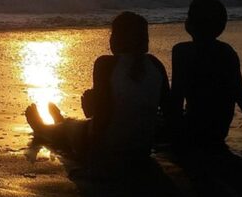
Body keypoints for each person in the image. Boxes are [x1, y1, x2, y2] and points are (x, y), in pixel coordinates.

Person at [25, 11, 170, 161]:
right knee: (83, 121)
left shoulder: (105, 64)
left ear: (115, 40)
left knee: (67, 130)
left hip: (108, 146)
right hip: (142, 147)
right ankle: (63, 123)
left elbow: (103, 117)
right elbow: (169, 111)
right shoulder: (156, 64)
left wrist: (92, 155)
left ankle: (45, 128)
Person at [171, 0, 242, 150]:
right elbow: (239, 93)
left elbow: (176, 95)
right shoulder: (226, 51)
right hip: (219, 130)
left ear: (191, 24)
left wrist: (174, 131)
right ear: (221, 26)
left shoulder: (181, 51)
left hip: (192, 129)